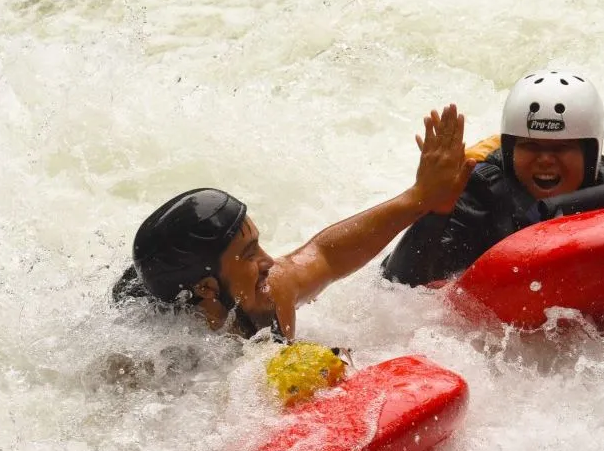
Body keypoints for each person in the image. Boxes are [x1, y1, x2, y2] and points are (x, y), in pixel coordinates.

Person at [112, 105, 475, 342]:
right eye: (249, 254)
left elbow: (326, 256)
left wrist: (420, 197)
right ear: (207, 288)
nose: (269, 262)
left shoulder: (267, 296)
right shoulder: (157, 354)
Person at [381, 69, 604, 286]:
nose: (544, 159)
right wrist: (436, 212)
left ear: (591, 154)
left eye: (561, 147)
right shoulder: (480, 191)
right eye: (530, 146)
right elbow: (398, 286)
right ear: (510, 150)